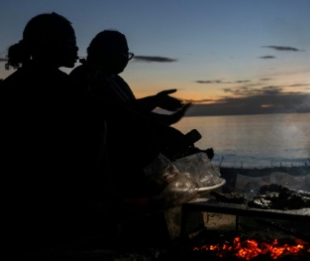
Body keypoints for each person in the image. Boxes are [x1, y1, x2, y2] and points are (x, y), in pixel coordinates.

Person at [0, 12, 114, 247]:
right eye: (71, 41)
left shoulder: (18, 82)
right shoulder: (58, 85)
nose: (76, 48)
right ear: (52, 44)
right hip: (42, 212)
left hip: (2, 206)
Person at [70, 29, 210, 198]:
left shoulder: (115, 79)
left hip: (133, 163)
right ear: (106, 52)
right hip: (112, 167)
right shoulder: (84, 78)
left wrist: (168, 119)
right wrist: (158, 108)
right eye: (124, 53)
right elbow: (119, 113)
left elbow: (134, 112)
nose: (126, 59)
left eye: (128, 54)